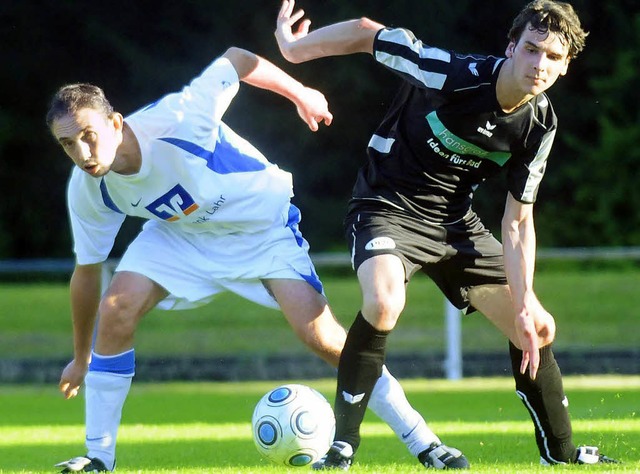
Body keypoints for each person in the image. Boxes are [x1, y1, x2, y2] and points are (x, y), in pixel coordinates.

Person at [46, 46, 469, 472]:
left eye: (88, 135)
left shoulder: (179, 119)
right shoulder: (88, 188)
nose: (82, 152)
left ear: (115, 123)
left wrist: (301, 92)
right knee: (116, 308)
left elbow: (237, 59)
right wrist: (83, 357)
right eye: (67, 144)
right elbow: (86, 274)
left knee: (324, 339)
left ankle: (423, 442)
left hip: (261, 228)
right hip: (182, 234)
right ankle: (98, 455)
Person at [275, 0, 621, 470]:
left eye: (553, 57)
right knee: (382, 302)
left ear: (564, 66)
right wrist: (294, 50)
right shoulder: (450, 74)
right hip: (387, 204)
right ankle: (343, 448)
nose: (540, 64)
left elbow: (518, 221)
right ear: (511, 47)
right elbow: (365, 31)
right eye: (532, 50)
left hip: (456, 225)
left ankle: (559, 455)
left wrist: (523, 302)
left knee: (537, 327)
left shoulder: (540, 124)